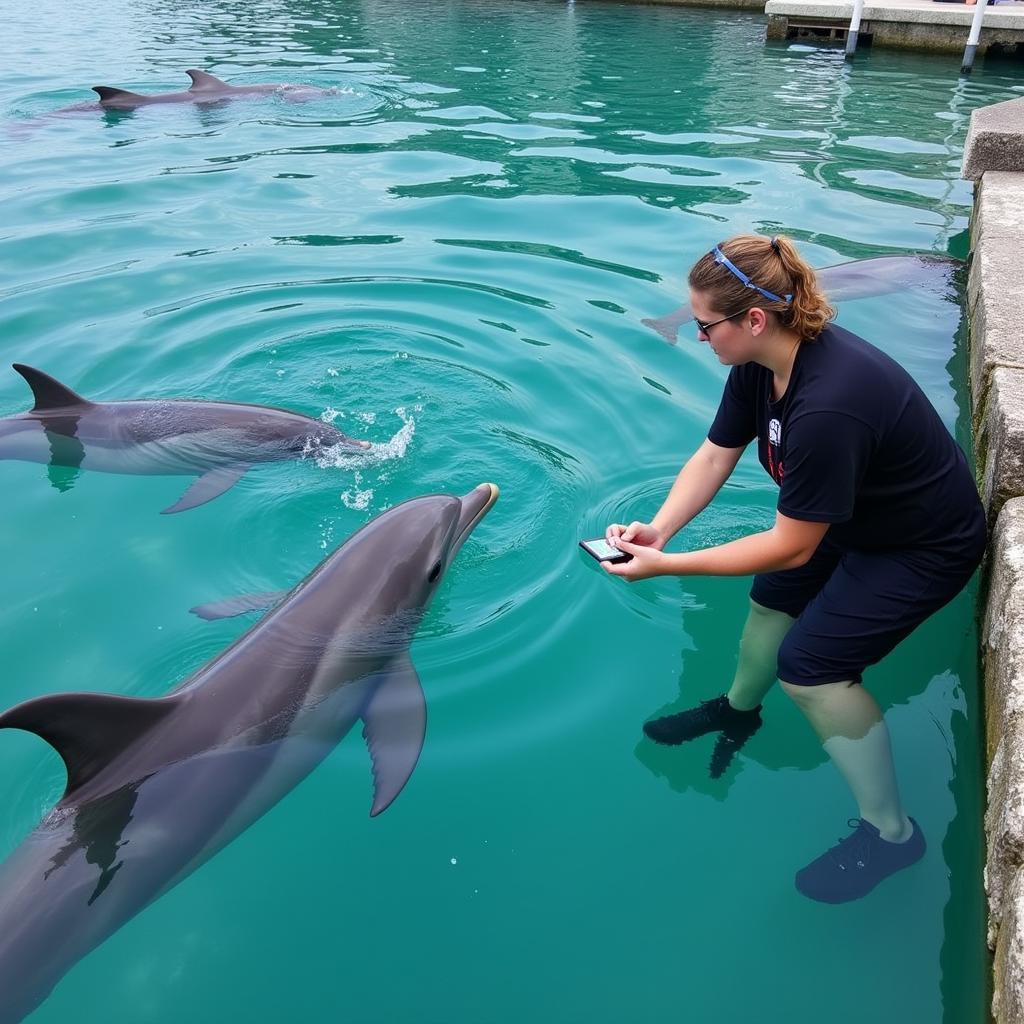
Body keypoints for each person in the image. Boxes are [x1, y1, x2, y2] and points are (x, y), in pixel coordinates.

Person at [604, 234, 986, 904]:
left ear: (755, 319)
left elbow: (792, 544)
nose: (698, 338)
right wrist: (659, 529)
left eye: (704, 326)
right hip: (853, 519)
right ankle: (737, 710)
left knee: (811, 669)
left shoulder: (829, 403)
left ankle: (893, 833)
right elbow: (716, 454)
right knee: (770, 597)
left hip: (923, 545)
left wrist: (668, 566)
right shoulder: (759, 364)